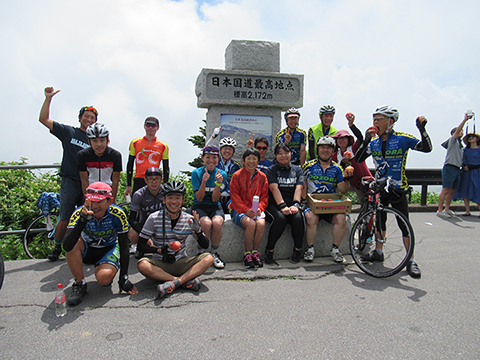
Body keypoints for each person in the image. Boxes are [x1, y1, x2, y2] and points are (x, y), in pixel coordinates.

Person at [355, 105, 433, 278]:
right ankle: (379, 251)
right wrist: (366, 140)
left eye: (379, 119)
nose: (375, 122)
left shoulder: (403, 139)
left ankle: (411, 260)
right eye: (373, 119)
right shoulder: (374, 143)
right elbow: (359, 158)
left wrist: (422, 129)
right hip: (379, 188)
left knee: (403, 224)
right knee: (380, 221)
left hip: (398, 188)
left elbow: (426, 148)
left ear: (390, 122)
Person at [38, 86, 97, 262]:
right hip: (70, 181)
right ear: (80, 118)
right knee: (65, 216)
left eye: (92, 118)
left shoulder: (95, 140)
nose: (88, 119)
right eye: (86, 116)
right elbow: (43, 119)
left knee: (87, 216)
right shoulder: (68, 132)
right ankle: (57, 246)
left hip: (88, 182)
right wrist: (48, 98)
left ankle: (84, 248)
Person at [63, 182, 138, 306]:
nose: (95, 206)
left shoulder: (118, 214)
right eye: (92, 201)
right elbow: (67, 246)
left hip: (108, 249)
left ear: (110, 201)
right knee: (74, 240)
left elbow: (124, 246)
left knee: (104, 279)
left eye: (100, 202)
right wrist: (82, 220)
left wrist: (123, 277)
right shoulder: (79, 213)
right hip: (87, 249)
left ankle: (104, 267)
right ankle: (79, 283)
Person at [136, 181, 214, 299]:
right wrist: (159, 251)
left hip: (181, 261)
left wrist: (198, 230)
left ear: (183, 201)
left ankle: (174, 283)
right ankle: (182, 281)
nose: (173, 201)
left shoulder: (189, 220)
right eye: (170, 198)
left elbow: (205, 245)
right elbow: (140, 246)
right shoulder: (153, 218)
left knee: (209, 258)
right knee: (142, 264)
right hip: (161, 263)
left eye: (177, 198)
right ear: (164, 200)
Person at [303, 136, 353, 263]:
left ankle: (335, 249)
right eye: (322, 147)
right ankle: (310, 249)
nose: (325, 150)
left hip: (331, 205)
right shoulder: (308, 166)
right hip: (313, 204)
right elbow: (302, 186)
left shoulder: (337, 168)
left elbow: (343, 190)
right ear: (317, 149)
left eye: (328, 148)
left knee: (341, 219)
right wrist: (301, 201)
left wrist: (346, 178)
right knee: (310, 218)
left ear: (333, 151)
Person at [265, 143, 305, 264]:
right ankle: (269, 250)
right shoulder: (271, 170)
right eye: (280, 153)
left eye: (286, 152)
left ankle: (298, 250)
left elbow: (299, 188)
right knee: (280, 218)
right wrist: (282, 206)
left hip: (292, 202)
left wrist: (295, 205)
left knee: (298, 218)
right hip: (274, 203)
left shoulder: (297, 169)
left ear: (291, 154)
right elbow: (274, 189)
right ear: (276, 155)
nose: (283, 156)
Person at [229, 148, 269, 268]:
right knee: (251, 224)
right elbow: (234, 196)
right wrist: (246, 210)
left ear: (258, 161)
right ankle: (246, 253)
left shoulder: (262, 177)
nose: (251, 161)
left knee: (261, 224)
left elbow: (264, 196)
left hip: (255, 210)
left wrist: (260, 208)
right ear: (243, 160)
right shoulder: (237, 175)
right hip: (238, 209)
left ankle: (254, 252)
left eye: (254, 159)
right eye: (248, 158)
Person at [191, 146, 228, 269]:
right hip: (199, 205)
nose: (211, 160)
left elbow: (214, 199)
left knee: (217, 223)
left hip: (215, 206)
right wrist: (203, 182)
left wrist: (218, 183)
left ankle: (214, 253)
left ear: (218, 159)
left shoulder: (222, 174)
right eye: (208, 157)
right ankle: (201, 252)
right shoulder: (196, 173)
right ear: (202, 158)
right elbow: (199, 198)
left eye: (214, 157)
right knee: (206, 223)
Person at [331, 112, 372, 205]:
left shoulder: (354, 148)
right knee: (335, 189)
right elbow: (337, 171)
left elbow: (360, 138)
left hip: (362, 181)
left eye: (344, 138)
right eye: (338, 139)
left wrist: (351, 125)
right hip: (348, 183)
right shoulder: (335, 156)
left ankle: (364, 218)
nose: (341, 140)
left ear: (348, 139)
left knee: (365, 203)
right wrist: (343, 163)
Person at [125, 117, 169, 199]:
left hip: (154, 180)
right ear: (144, 126)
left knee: (155, 207)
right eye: (148, 125)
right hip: (139, 179)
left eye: (153, 125)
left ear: (157, 128)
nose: (150, 128)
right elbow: (130, 164)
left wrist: (166, 187)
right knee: (136, 207)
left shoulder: (163, 146)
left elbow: (166, 168)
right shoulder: (135, 143)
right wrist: (128, 185)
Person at [77, 123, 122, 201]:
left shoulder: (115, 155)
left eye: (102, 140)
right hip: (91, 190)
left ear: (108, 140)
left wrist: (112, 199)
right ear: (89, 142)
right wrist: (87, 198)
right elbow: (84, 180)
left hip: (108, 190)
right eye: (94, 141)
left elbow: (115, 180)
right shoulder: (83, 155)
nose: (99, 144)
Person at [437, 113, 470, 217]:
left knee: (452, 190)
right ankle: (440, 210)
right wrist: (464, 120)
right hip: (450, 166)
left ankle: (447, 209)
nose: (461, 132)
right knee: (446, 189)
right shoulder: (453, 140)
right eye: (460, 131)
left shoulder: (460, 145)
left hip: (457, 168)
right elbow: (457, 131)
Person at [128, 167, 164, 257]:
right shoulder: (139, 194)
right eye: (151, 179)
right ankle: (139, 246)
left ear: (161, 180)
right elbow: (132, 219)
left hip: (163, 223)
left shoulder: (166, 193)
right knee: (132, 233)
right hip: (145, 224)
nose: (154, 182)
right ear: (146, 180)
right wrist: (144, 234)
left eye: (157, 179)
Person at [453, 130, 480, 216]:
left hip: (477, 171)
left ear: (477, 138)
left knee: (477, 189)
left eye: (472, 136)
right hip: (465, 172)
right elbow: (461, 158)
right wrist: (464, 166)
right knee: (465, 189)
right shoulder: (465, 150)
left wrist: (471, 167)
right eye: (469, 137)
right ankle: (467, 210)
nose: (470, 138)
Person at [216, 136, 241, 213]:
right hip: (216, 196)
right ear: (220, 150)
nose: (227, 151)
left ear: (233, 152)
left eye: (230, 149)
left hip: (230, 197)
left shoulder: (236, 166)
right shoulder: (215, 164)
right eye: (225, 148)